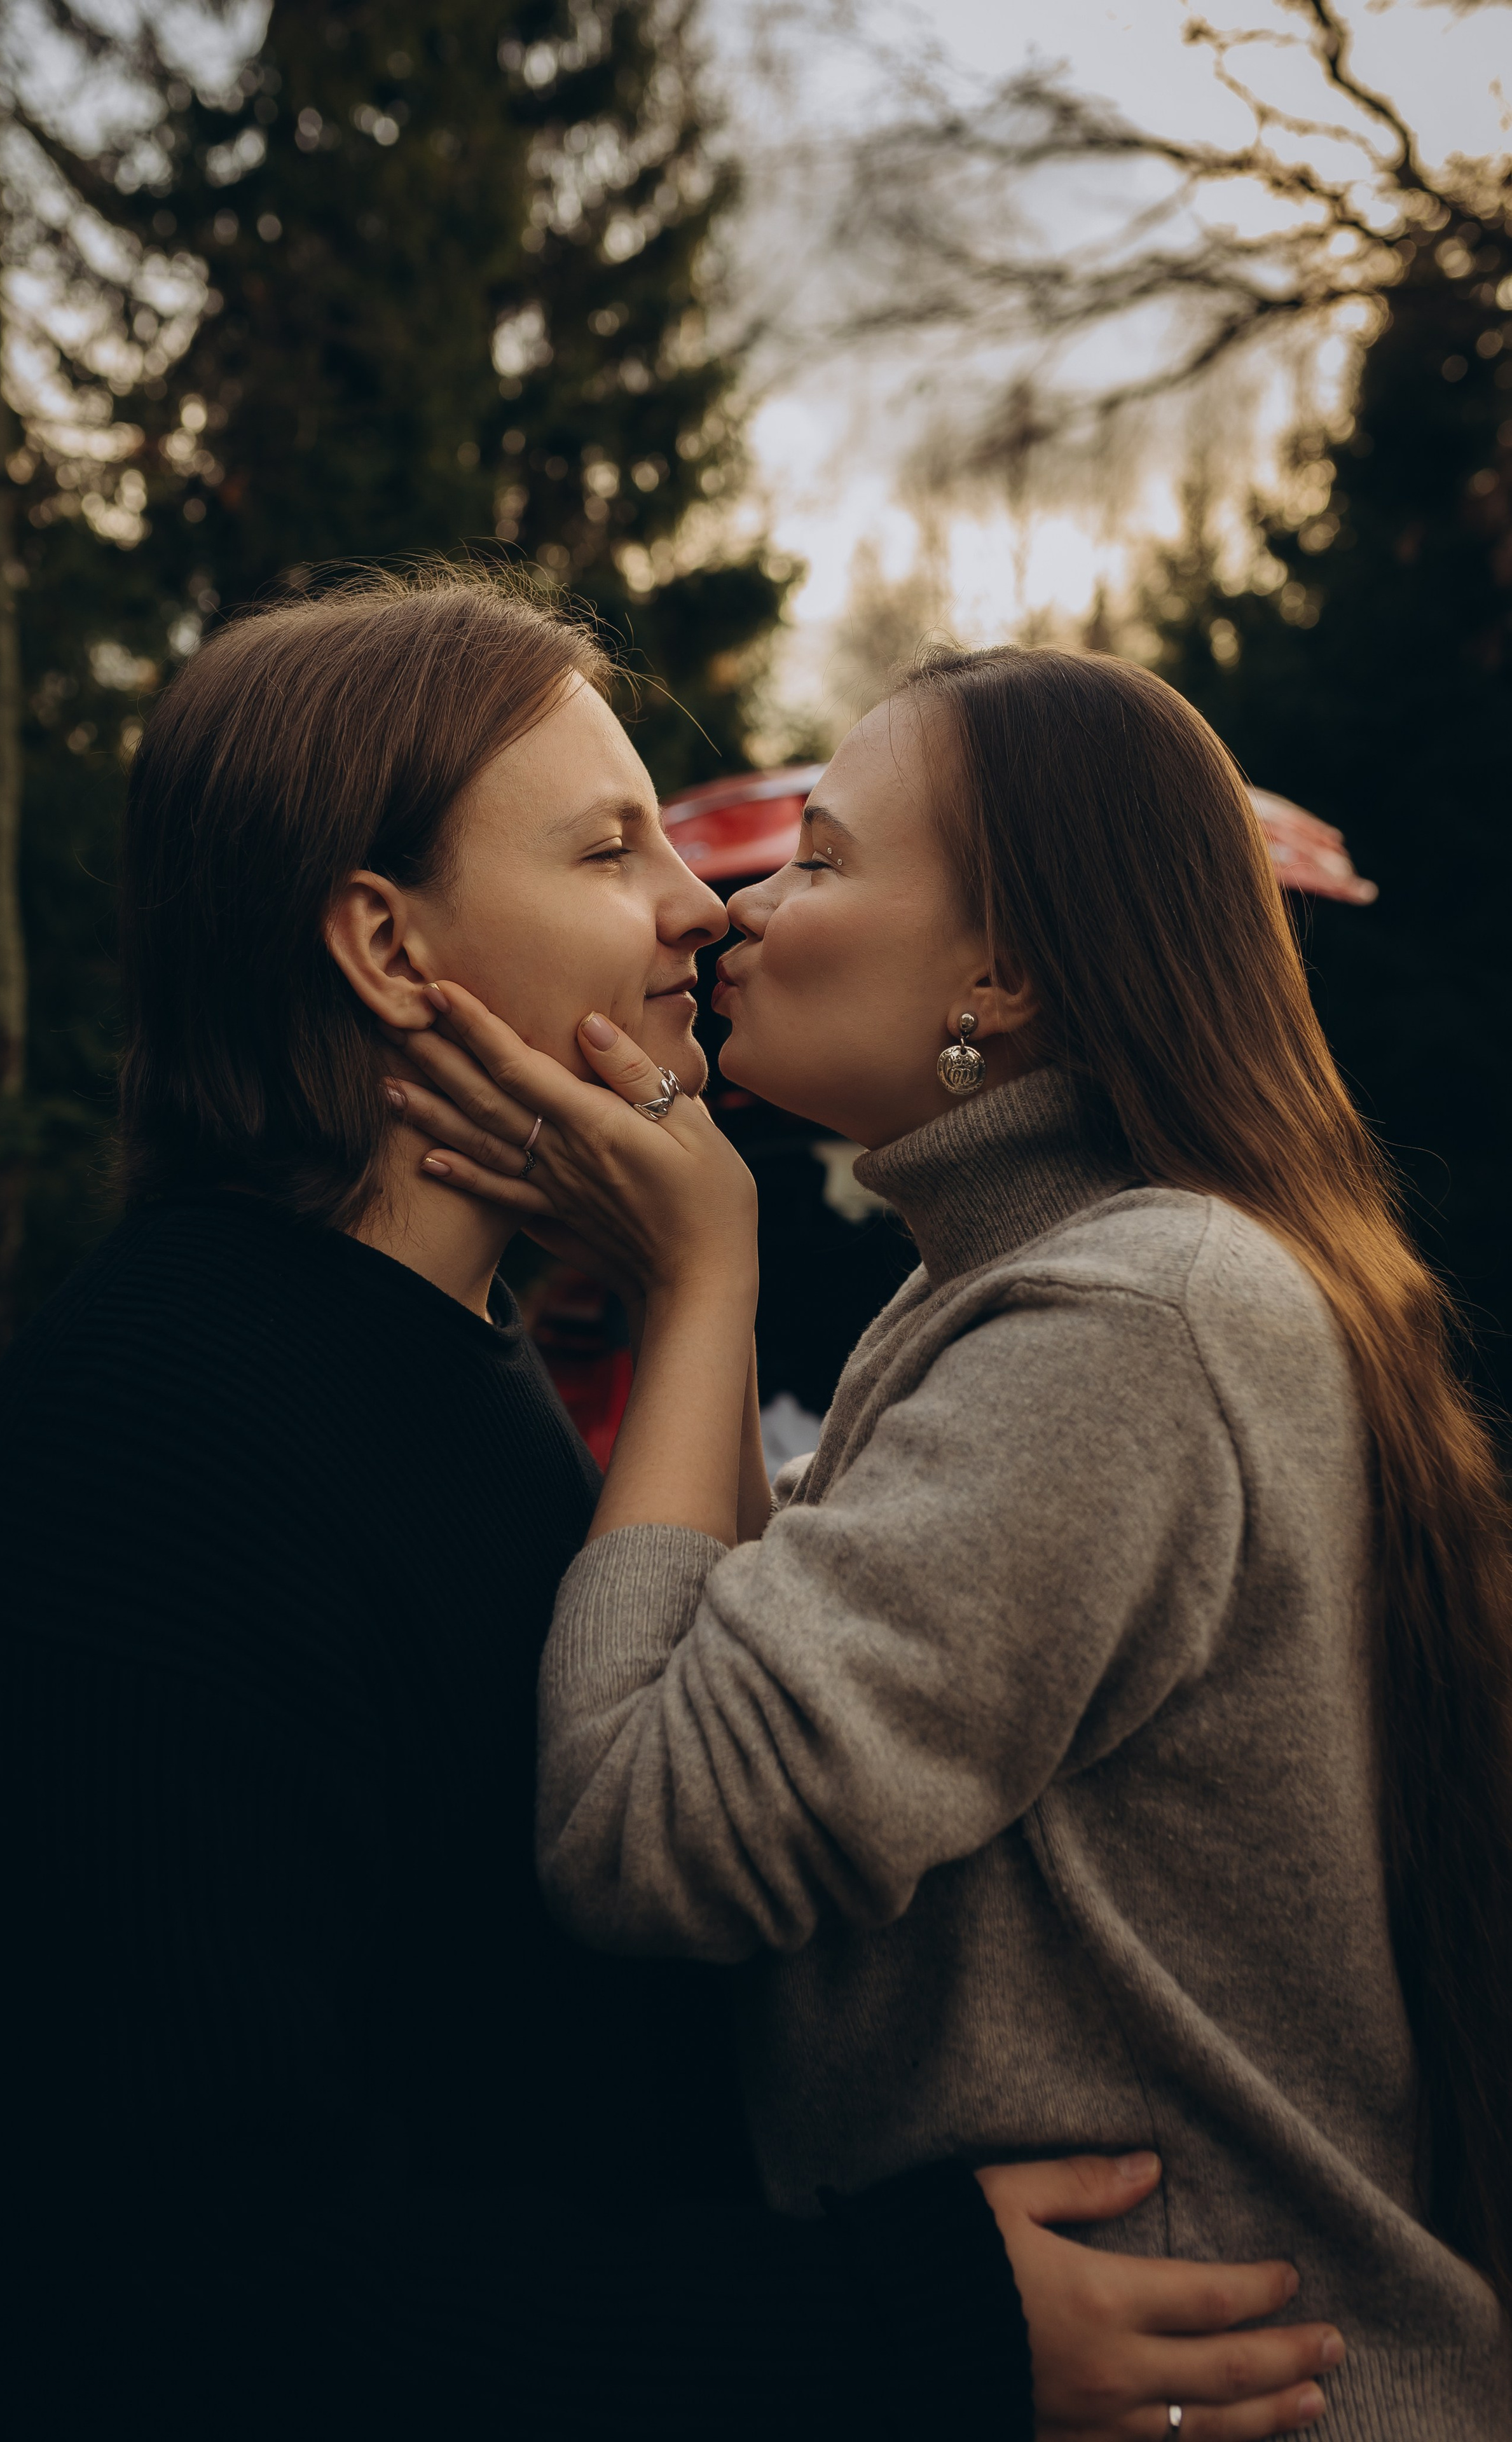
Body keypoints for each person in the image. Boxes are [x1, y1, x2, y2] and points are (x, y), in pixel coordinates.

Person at [0, 581, 1342, 2442]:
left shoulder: (442, 1374)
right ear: (388, 945)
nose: (696, 903)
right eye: (606, 846)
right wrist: (911, 2333)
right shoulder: (146, 1471)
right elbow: (180, 2305)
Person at [388, 642, 1512, 2439]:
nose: (736, 914)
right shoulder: (1016, 1285)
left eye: (819, 860)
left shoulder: (1137, 1316)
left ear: (1006, 971)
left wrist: (700, 1286)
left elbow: (649, 1831)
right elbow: (753, 1682)